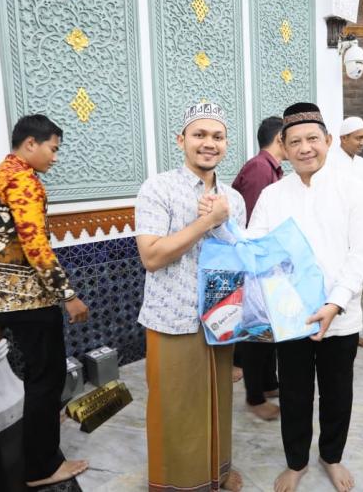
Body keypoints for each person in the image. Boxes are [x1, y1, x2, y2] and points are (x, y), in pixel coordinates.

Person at [247, 102, 363, 492]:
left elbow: (362, 254)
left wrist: (335, 303)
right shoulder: (272, 195)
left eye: (312, 139)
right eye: (295, 142)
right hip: (293, 318)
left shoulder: (353, 190)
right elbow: (258, 249)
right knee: (295, 393)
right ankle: (297, 461)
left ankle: (331, 456)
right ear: (284, 148)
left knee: (337, 392)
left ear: (328, 141)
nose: (305, 149)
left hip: (341, 315)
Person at [136, 102, 246, 492]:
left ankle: (217, 472)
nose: (208, 143)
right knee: (176, 408)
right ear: (181, 140)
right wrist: (206, 222)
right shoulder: (158, 188)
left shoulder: (233, 198)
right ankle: (177, 485)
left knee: (219, 400)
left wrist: (223, 223)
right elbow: (151, 256)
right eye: (199, 135)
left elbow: (237, 256)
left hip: (220, 317)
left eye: (217, 136)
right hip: (173, 317)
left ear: (226, 143)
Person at [0, 114, 90, 487]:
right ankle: (42, 468)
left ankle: (40, 433)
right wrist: (68, 295)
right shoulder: (23, 179)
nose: (54, 158)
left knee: (39, 378)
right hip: (28, 300)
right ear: (31, 143)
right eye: (52, 149)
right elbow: (36, 246)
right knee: (47, 378)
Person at [231, 116, 285, 421]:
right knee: (256, 332)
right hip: (256, 264)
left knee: (268, 331)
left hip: (268, 262)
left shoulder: (271, 169)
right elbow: (252, 224)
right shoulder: (259, 169)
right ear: (279, 139)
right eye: (292, 139)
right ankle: (254, 396)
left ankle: (267, 383)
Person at [330, 116, 363, 349]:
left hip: (359, 231)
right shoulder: (329, 161)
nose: (362, 142)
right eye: (358, 137)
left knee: (361, 280)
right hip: (336, 231)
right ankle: (334, 328)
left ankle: (354, 331)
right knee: (338, 279)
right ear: (343, 138)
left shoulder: (362, 165)